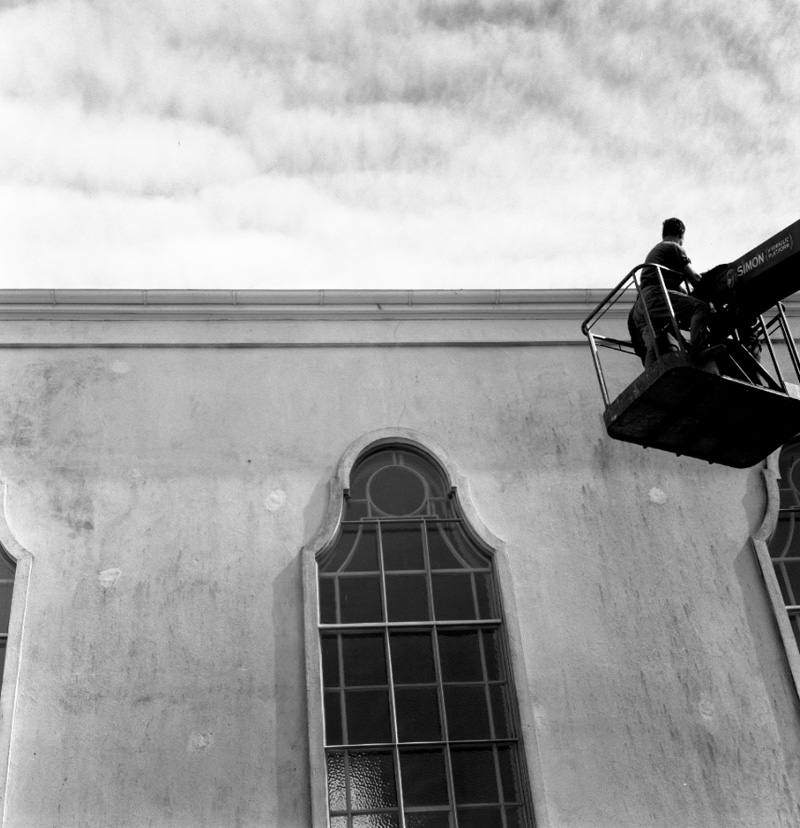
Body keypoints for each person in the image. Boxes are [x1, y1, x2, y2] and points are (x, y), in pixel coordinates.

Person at [630, 217, 720, 368]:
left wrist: (689, 298)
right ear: (681, 234)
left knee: (654, 345)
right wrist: (712, 298)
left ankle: (651, 376)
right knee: (700, 307)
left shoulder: (659, 252)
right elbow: (695, 279)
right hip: (655, 295)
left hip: (641, 306)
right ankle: (699, 352)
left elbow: (681, 292)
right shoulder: (674, 247)